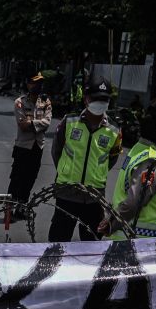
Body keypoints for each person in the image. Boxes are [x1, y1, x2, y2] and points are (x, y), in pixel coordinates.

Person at [48, 76, 121, 242]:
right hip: (67, 192)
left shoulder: (114, 130)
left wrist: (94, 173)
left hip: (94, 197)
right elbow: (57, 151)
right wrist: (67, 171)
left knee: (91, 244)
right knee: (57, 241)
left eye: (104, 99)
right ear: (86, 99)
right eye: (96, 99)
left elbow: (112, 159)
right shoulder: (70, 121)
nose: (99, 103)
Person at [99, 95, 156, 240]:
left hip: (131, 241)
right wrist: (111, 223)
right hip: (140, 245)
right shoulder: (151, 161)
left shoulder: (140, 149)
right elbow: (133, 203)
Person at [8, 73, 53, 218]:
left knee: (30, 179)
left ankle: (21, 209)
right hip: (22, 147)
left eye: (40, 83)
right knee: (16, 179)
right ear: (28, 84)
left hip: (37, 147)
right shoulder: (20, 102)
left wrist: (31, 123)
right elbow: (22, 125)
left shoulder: (46, 102)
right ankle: (8, 209)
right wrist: (37, 125)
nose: (38, 86)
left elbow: (47, 123)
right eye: (35, 83)